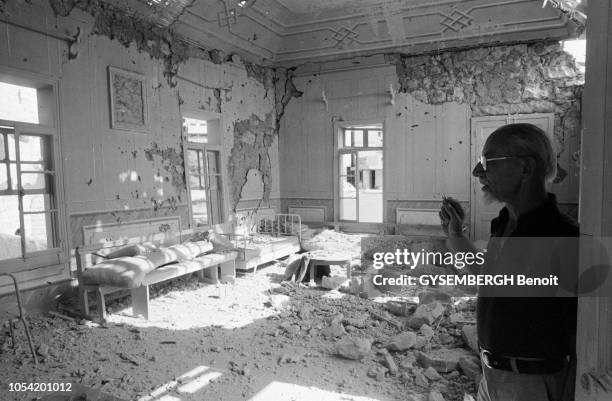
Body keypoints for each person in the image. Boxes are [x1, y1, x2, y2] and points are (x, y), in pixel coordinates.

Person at [439, 123, 578, 401]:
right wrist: (455, 235)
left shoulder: (562, 235)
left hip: (532, 383)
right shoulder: (505, 223)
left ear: (526, 168)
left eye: (487, 162)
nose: (478, 172)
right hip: (492, 376)